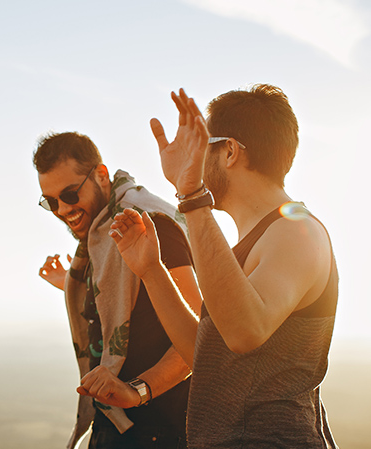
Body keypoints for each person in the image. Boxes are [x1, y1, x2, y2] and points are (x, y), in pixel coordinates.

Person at [91, 85, 338, 447]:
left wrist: (191, 196)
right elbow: (208, 358)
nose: (195, 160)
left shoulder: (296, 230)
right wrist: (152, 271)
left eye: (202, 147)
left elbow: (244, 332)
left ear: (230, 151)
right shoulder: (249, 244)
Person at [34, 132, 201, 449]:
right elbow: (132, 305)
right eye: (50, 201)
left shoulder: (149, 224)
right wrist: (71, 284)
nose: (61, 209)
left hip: (159, 431)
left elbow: (196, 336)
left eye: (69, 194)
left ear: (100, 175)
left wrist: (138, 391)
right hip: (115, 425)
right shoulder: (101, 235)